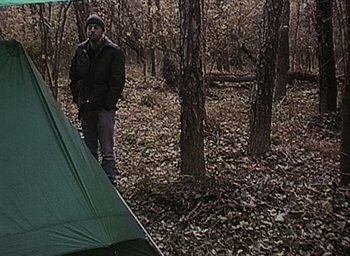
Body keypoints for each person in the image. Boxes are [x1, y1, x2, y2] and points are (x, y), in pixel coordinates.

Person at [69, 14, 125, 184]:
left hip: (104, 108)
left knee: (107, 148)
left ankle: (110, 181)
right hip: (86, 108)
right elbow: (73, 76)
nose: (92, 30)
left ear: (103, 31)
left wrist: (108, 104)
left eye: (96, 27)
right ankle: (92, 182)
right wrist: (77, 98)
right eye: (90, 27)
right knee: (89, 147)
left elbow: (118, 81)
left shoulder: (113, 51)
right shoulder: (81, 51)